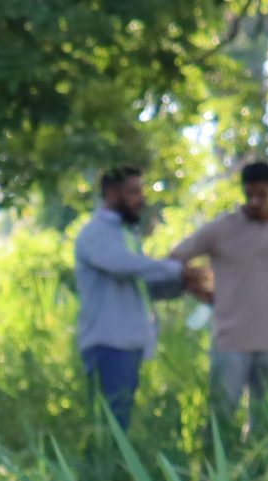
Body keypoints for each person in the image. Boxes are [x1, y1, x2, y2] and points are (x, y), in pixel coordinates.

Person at [169, 161, 268, 422]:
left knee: (267, 419)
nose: (256, 202)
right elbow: (175, 259)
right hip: (231, 342)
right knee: (221, 415)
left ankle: (262, 464)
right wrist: (197, 286)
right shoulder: (221, 228)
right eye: (251, 195)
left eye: (263, 195)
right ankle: (217, 461)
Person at [72, 167, 196, 427]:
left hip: (129, 342)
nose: (140, 199)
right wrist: (176, 269)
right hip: (108, 343)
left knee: (120, 419)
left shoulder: (125, 234)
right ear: (111, 193)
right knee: (109, 423)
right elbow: (124, 265)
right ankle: (103, 467)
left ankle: (113, 465)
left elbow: (141, 283)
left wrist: (185, 283)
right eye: (133, 191)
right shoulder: (96, 233)